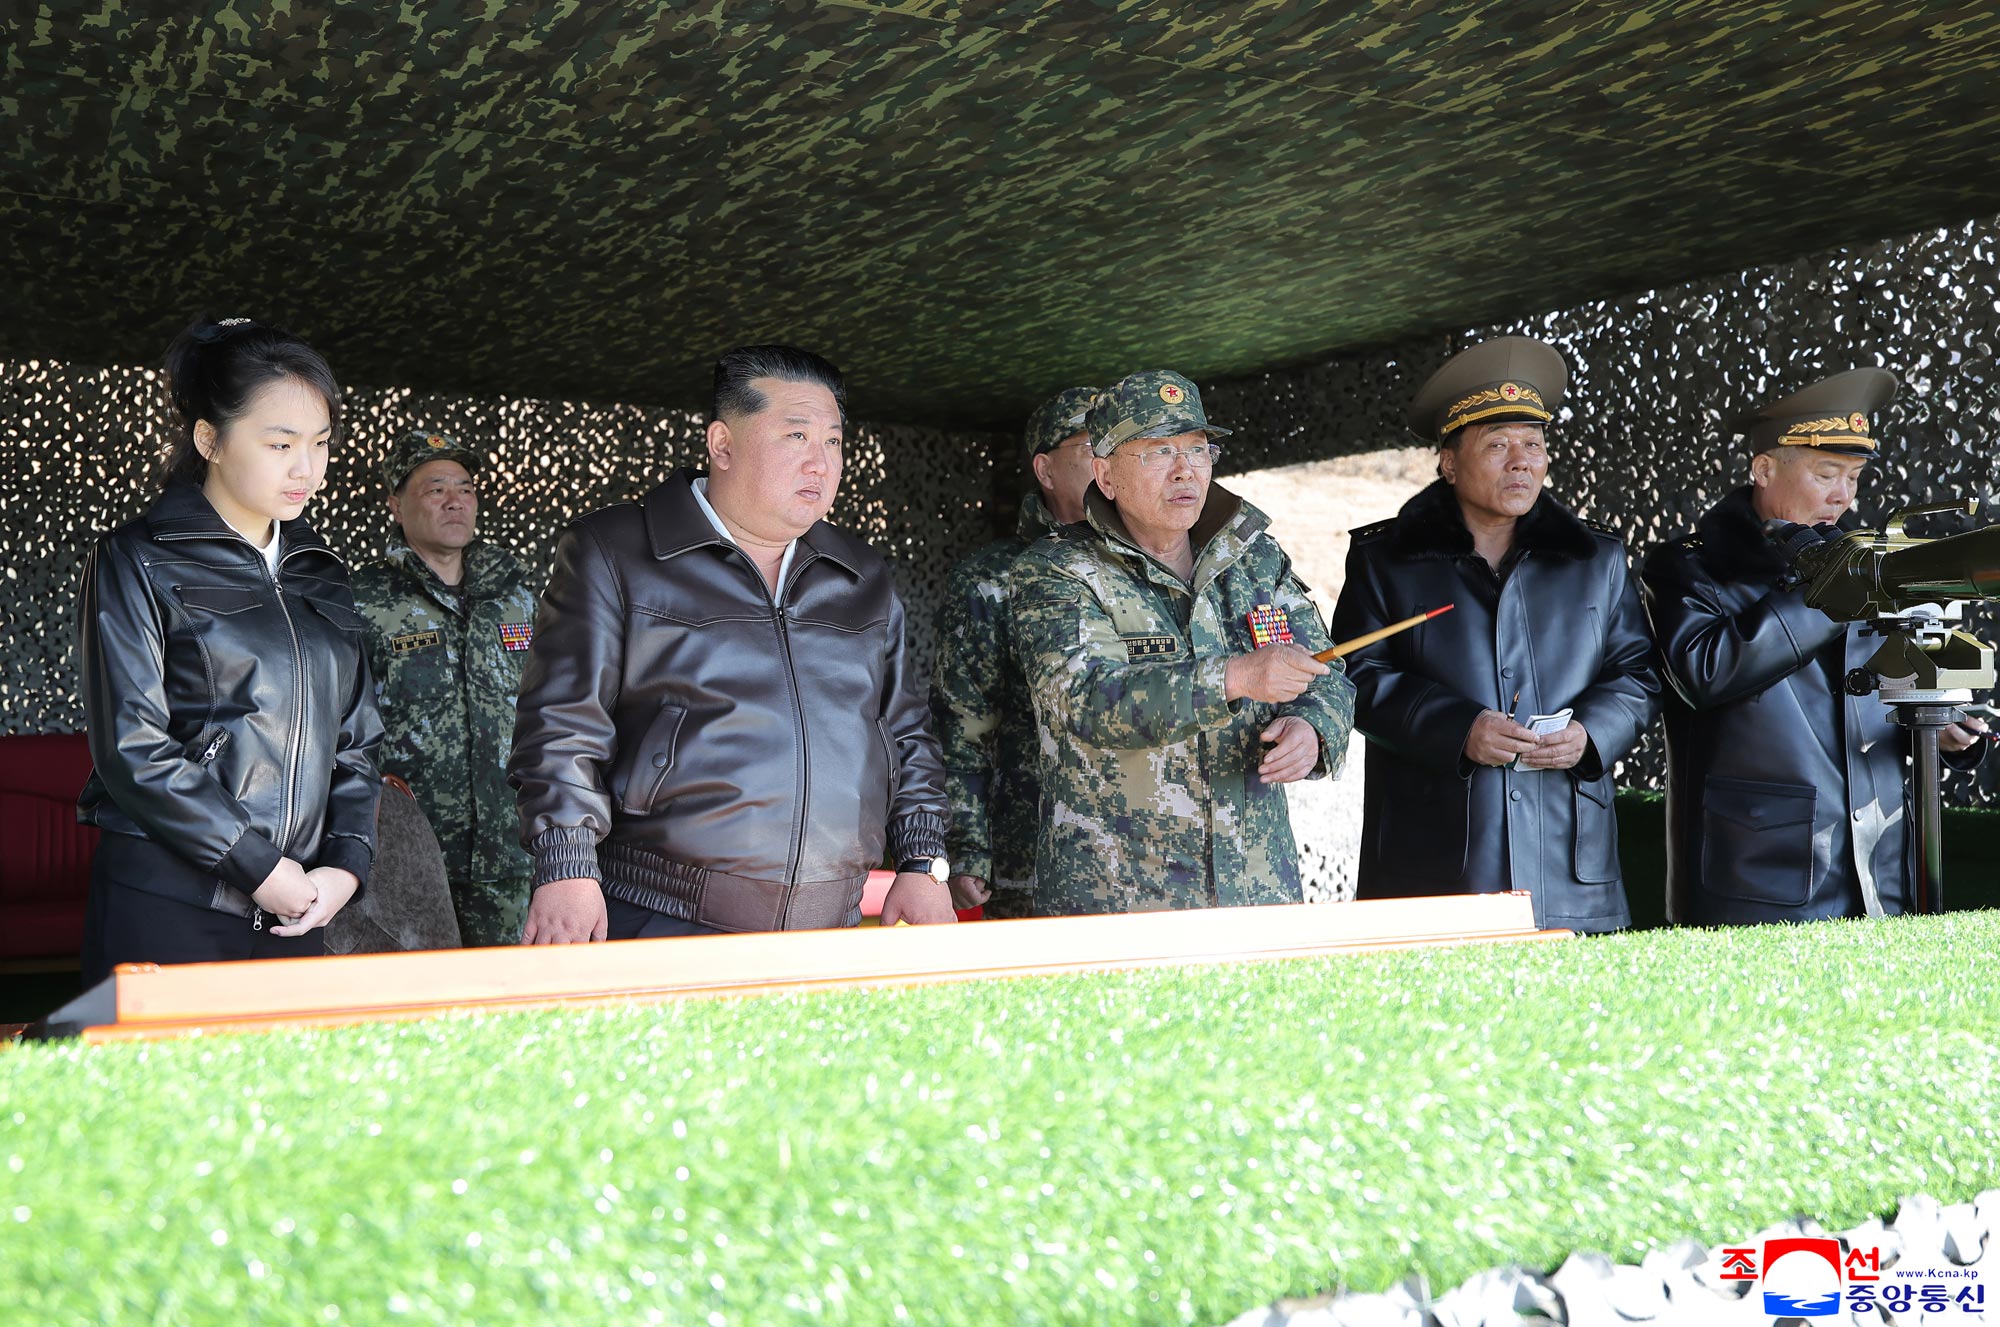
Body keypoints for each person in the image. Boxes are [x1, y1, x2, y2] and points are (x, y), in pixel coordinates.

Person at [508, 344, 956, 941]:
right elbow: (563, 722)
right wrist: (565, 864)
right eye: (796, 437)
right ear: (723, 445)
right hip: (662, 912)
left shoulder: (862, 577)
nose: (820, 465)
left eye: (833, 442)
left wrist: (924, 862)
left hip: (833, 920)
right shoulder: (616, 552)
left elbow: (904, 732)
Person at [76, 316, 383, 983]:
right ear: (209, 439)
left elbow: (356, 741)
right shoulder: (139, 558)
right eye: (280, 444)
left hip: (297, 905)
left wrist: (345, 865)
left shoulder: (321, 572)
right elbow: (131, 745)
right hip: (170, 899)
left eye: (321, 444)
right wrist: (255, 863)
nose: (308, 469)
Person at [1330, 336, 1659, 933]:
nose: (1521, 461)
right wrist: (1459, 728)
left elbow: (1637, 671)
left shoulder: (1597, 560)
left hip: (1568, 861)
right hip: (1431, 862)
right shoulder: (1388, 560)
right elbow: (1357, 674)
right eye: (1498, 445)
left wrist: (1591, 733)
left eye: (1534, 445)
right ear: (1449, 462)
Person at [1641, 368, 1987, 924]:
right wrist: (1828, 600)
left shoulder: (1864, 561)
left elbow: (1880, 687)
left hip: (1883, 871)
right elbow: (1703, 674)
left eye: (1853, 478)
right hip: (1758, 870)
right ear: (1763, 469)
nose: (1842, 496)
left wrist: (1942, 726)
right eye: (1826, 473)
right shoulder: (1689, 566)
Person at [1009, 370, 1354, 915]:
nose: (1185, 469)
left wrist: (1313, 729)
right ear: (1105, 475)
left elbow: (1324, 669)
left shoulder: (1254, 559)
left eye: (1197, 448)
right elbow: (1084, 699)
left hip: (1258, 889)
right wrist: (1235, 677)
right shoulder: (1056, 572)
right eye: (1157, 451)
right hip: (1122, 896)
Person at [352, 429, 542, 946]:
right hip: (407, 851)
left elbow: (553, 711)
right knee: (418, 1001)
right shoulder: (363, 601)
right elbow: (340, 725)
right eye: (436, 488)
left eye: (465, 487)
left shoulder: (516, 595)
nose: (455, 500)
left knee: (507, 1001)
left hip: (510, 850)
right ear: (396, 504)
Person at [929, 385, 1097, 918]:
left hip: (1155, 864)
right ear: (1046, 471)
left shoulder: (1159, 565)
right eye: (1093, 447)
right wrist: (967, 848)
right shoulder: (994, 578)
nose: (1111, 462)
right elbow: (961, 726)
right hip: (1036, 861)